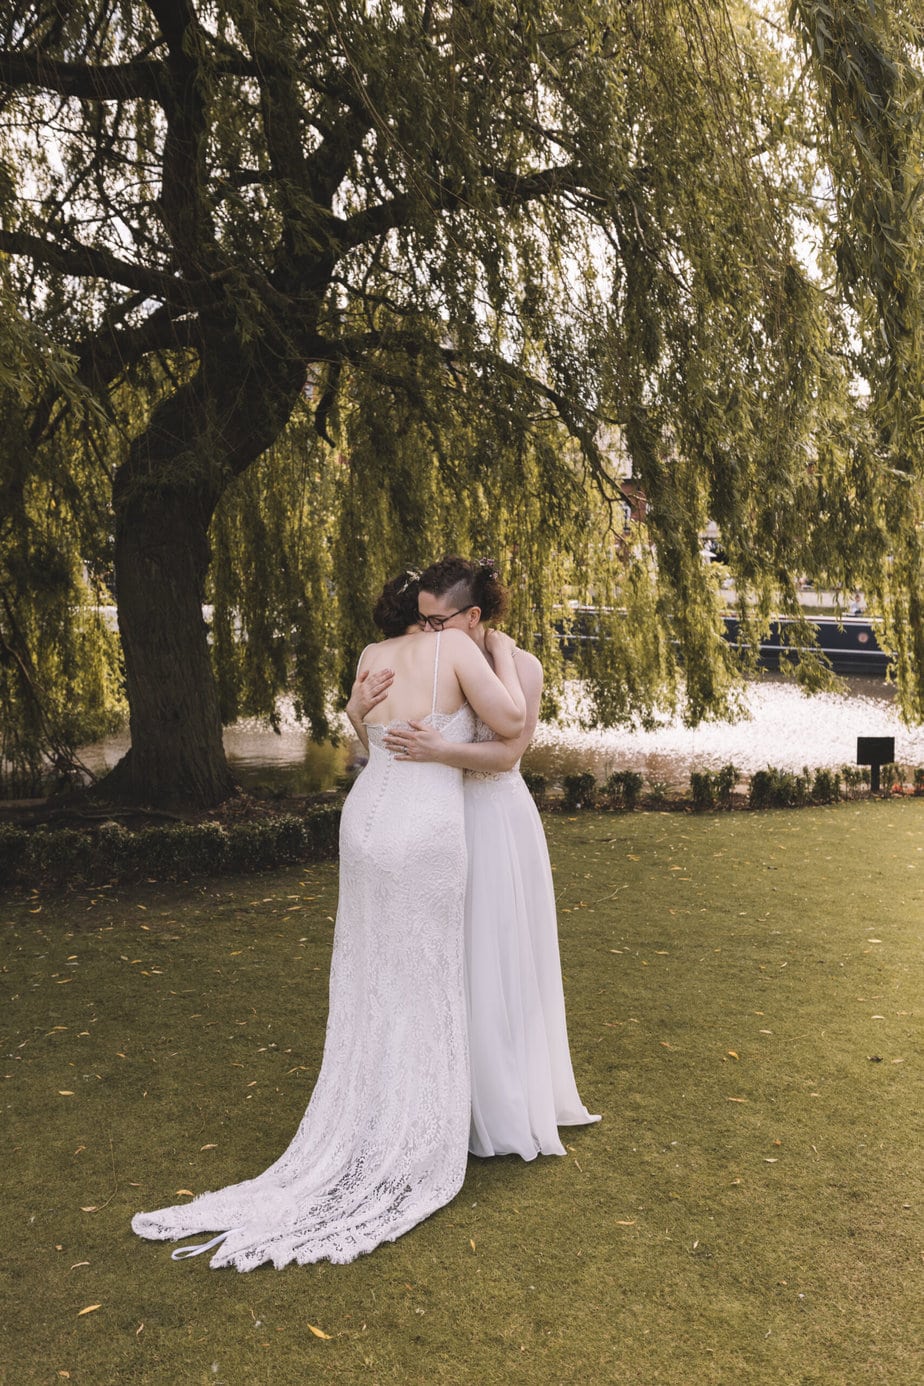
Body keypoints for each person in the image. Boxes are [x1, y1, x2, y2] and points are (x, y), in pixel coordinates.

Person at [131, 571, 525, 1270]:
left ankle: (369, 1115)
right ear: (437, 617)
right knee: (424, 973)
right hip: (422, 825)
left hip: (366, 819)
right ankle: (418, 1133)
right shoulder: (458, 653)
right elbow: (513, 726)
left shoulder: (371, 658)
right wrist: (501, 656)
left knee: (373, 971)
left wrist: (353, 708)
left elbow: (365, 737)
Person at [352, 556, 599, 1161]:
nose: (427, 634)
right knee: (451, 960)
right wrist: (366, 716)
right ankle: (444, 1095)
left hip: (494, 817)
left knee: (498, 954)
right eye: (423, 620)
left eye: (439, 623)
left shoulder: (522, 667)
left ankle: (504, 1097)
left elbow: (510, 754)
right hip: (438, 816)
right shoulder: (436, 656)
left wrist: (442, 751)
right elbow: (384, 742)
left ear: (473, 616)